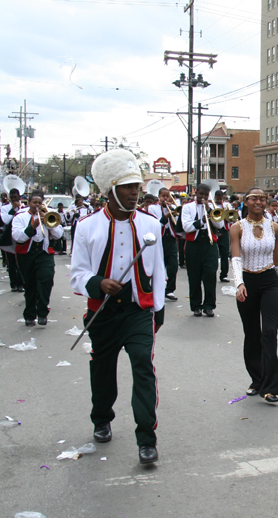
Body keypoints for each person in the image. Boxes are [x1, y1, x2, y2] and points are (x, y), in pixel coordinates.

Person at [70, 149, 166, 465]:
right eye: (127, 187)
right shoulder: (87, 226)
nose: (134, 192)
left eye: (137, 186)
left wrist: (159, 308)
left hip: (139, 310)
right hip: (103, 312)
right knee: (102, 368)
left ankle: (146, 440)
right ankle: (101, 417)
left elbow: (160, 271)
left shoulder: (152, 224)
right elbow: (77, 274)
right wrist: (99, 283)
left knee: (143, 366)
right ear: (110, 190)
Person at [231, 187, 278, 404]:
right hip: (248, 282)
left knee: (269, 332)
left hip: (270, 280)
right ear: (246, 202)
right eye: (254, 198)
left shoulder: (275, 227)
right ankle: (257, 379)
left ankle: (271, 388)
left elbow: (277, 259)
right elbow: (235, 258)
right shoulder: (237, 228)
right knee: (252, 334)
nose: (259, 202)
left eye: (262, 199)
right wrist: (239, 284)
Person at [11, 190, 64, 327]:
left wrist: (47, 220)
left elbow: (58, 234)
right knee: (30, 286)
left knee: (46, 281)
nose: (37, 205)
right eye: (34, 203)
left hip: (44, 254)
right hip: (26, 255)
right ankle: (29, 315)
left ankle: (42, 312)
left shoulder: (49, 214)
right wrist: (33, 225)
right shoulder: (20, 217)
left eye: (39, 203)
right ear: (28, 203)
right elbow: (18, 237)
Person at [181, 183, 223, 317]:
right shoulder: (187, 207)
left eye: (206, 195)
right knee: (194, 276)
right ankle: (196, 306)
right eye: (201, 194)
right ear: (196, 193)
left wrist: (210, 211)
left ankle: (209, 306)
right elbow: (187, 227)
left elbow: (220, 224)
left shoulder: (213, 208)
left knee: (210, 275)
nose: (203, 197)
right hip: (194, 245)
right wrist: (202, 221)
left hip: (210, 244)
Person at [148, 188, 180, 301]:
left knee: (173, 266)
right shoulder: (152, 208)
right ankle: (156, 289)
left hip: (170, 238)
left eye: (167, 196)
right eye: (163, 196)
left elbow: (178, 222)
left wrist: (173, 211)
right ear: (159, 196)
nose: (165, 198)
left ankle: (170, 290)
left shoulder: (172, 208)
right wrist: (165, 217)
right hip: (159, 239)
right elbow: (154, 224)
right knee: (158, 266)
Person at [0, 188, 25, 292]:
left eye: (16, 197)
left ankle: (20, 284)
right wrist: (13, 210)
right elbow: (5, 220)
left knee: (21, 262)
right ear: (9, 198)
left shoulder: (23, 207)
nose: (14, 199)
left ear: (19, 197)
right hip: (9, 238)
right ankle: (13, 283)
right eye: (12, 197)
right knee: (11, 262)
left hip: (20, 238)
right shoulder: (5, 208)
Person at [214, 189, 233, 283]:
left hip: (224, 230)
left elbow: (232, 218)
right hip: (214, 229)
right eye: (217, 199)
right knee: (213, 254)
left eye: (220, 199)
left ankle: (224, 275)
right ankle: (212, 273)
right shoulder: (211, 205)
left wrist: (226, 214)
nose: (219, 201)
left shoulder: (227, 205)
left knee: (225, 254)